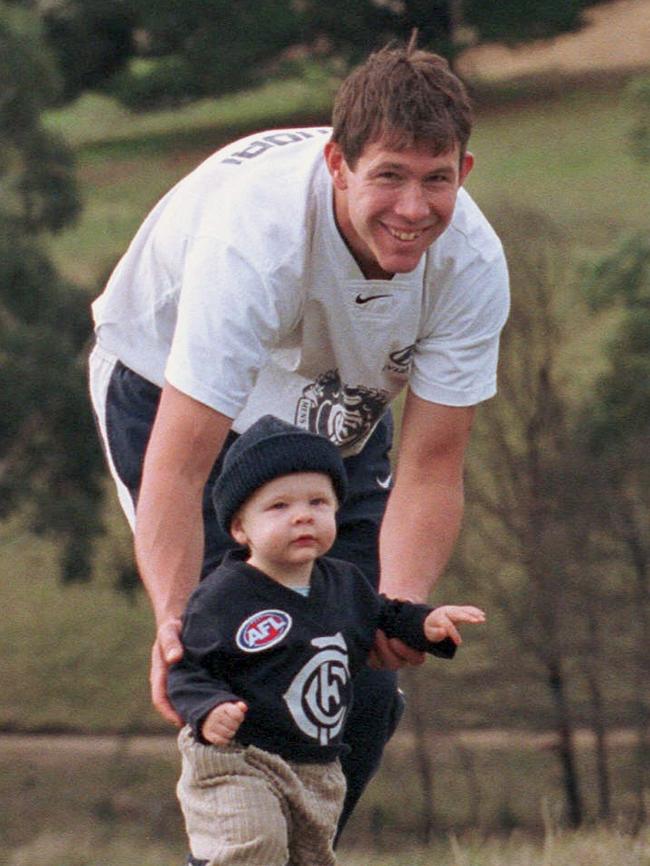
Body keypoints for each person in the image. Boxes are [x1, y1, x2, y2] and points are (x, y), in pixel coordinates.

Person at [88, 37, 509, 835]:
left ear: (465, 172)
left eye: (436, 179)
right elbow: (179, 468)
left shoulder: (472, 264)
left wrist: (398, 608)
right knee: (248, 671)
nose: (414, 209)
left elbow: (433, 463)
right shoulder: (257, 239)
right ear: (337, 165)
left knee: (366, 692)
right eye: (388, 175)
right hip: (171, 387)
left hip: (328, 413)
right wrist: (175, 625)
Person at [167, 414, 485, 866]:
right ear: (240, 528)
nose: (302, 516)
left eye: (318, 502)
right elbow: (188, 668)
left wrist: (426, 624)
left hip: (316, 766)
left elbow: (386, 617)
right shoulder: (223, 596)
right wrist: (207, 707)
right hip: (239, 760)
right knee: (252, 848)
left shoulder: (345, 583)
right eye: (278, 507)